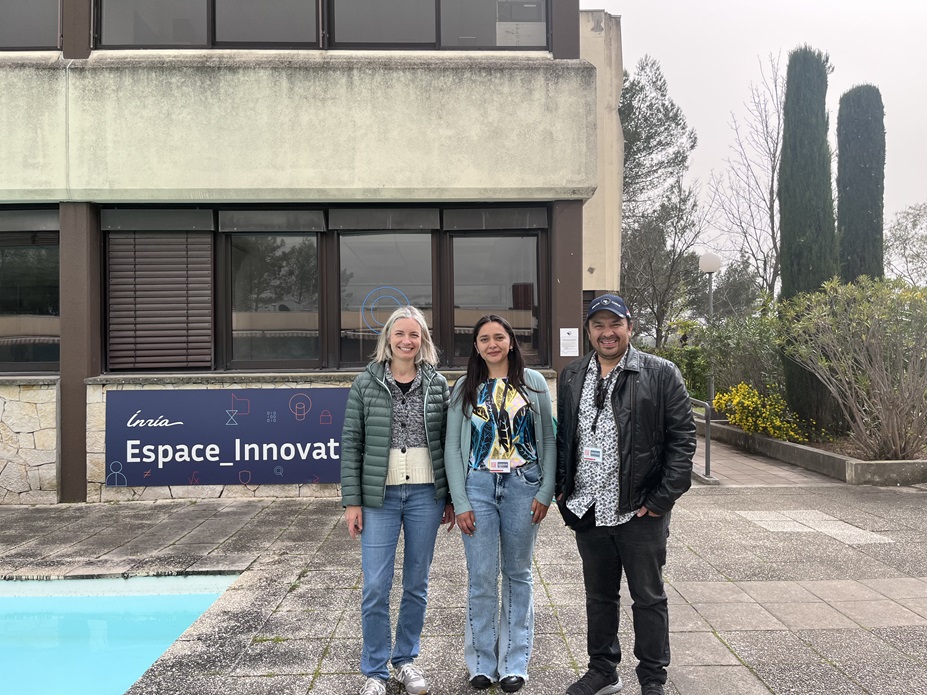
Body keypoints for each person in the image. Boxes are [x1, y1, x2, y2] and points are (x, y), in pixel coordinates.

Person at [556, 295, 695, 695]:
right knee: (599, 597)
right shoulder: (572, 374)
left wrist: (660, 500)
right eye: (598, 325)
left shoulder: (660, 373)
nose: (607, 333)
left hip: (638, 510)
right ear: (588, 331)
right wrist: (564, 490)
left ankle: (652, 679)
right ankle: (603, 670)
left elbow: (683, 441)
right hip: (588, 507)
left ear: (630, 327)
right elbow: (565, 435)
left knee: (648, 598)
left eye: (615, 324)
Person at [340, 306, 455, 695]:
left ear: (423, 340)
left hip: (426, 495)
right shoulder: (365, 383)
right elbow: (351, 443)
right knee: (376, 585)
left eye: (414, 334)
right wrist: (352, 502)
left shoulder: (437, 384)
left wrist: (449, 498)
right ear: (388, 337)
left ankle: (405, 660)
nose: (407, 341)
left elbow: (448, 444)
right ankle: (375, 670)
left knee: (416, 583)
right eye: (400, 333)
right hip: (380, 497)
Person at [445, 314, 556, 694]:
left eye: (498, 337)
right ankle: (480, 663)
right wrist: (460, 500)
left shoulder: (534, 383)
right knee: (481, 576)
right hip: (477, 487)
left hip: (524, 485)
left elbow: (548, 439)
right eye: (484, 339)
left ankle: (514, 664)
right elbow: (452, 447)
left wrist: (545, 491)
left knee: (517, 574)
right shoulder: (464, 388)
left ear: (510, 341)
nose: (492, 344)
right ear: (476, 347)